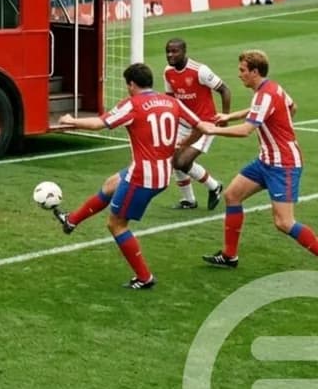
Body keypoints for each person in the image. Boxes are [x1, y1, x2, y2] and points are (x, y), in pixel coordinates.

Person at [55, 62, 203, 289]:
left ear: (132, 84)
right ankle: (72, 220)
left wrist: (72, 121)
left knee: (116, 224)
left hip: (142, 176)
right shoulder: (171, 101)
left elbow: (99, 123)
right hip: (162, 171)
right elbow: (199, 125)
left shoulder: (133, 105)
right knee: (111, 183)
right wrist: (184, 143)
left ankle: (145, 278)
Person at [197, 50, 317, 268]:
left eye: (242, 70)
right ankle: (229, 255)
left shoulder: (265, 95)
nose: (239, 74)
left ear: (255, 71)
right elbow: (292, 107)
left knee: (284, 222)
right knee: (232, 195)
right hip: (266, 161)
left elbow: (245, 131)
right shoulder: (271, 89)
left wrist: (212, 130)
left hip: (284, 165)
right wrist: (230, 116)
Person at [164, 38, 230, 210]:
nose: (170, 55)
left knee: (182, 162)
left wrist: (225, 116)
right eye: (168, 51)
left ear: (184, 51)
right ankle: (189, 200)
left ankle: (214, 186)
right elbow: (171, 99)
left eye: (175, 51)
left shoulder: (200, 71)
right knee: (174, 159)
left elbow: (225, 90)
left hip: (204, 125)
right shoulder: (168, 72)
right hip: (182, 123)